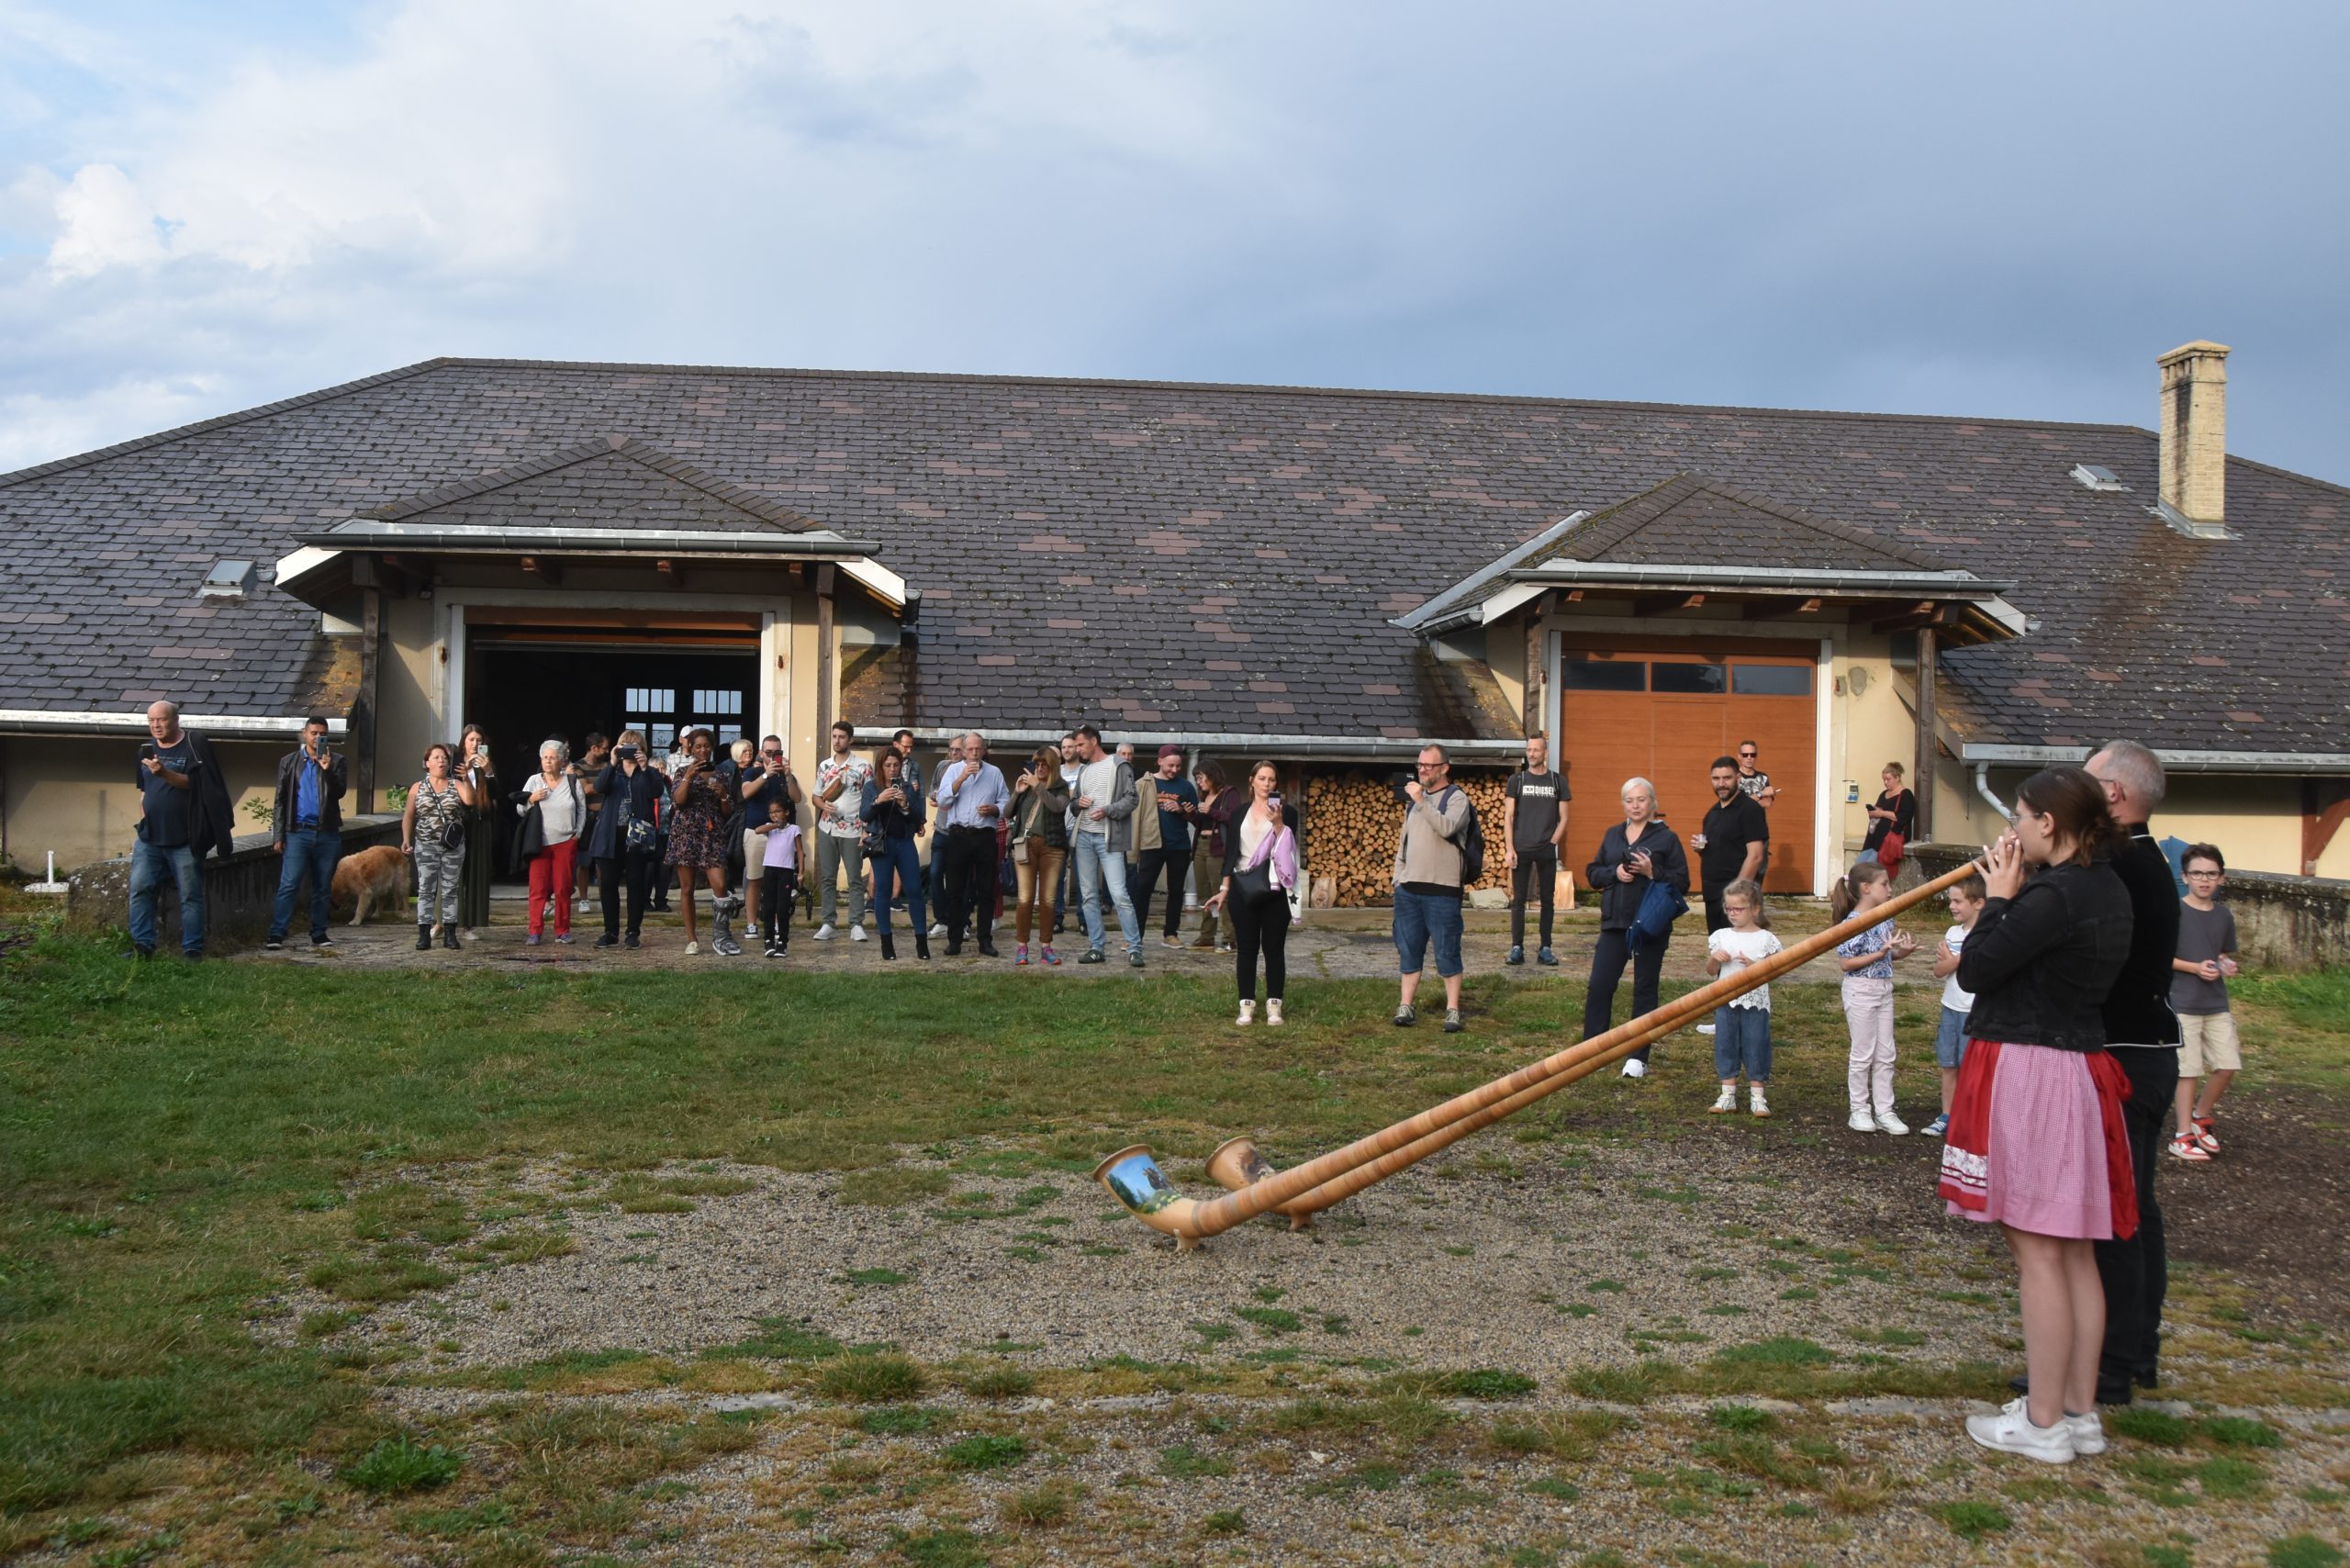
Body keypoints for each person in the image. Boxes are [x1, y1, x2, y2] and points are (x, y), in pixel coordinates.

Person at [1939, 767, 2136, 1464]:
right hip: (2072, 1067)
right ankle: (2078, 1413)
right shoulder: (2105, 886)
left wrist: (1997, 900)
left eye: (2022, 817)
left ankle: (2045, 1423)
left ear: (2048, 824)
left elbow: (1977, 968)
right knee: (2075, 1250)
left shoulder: (2055, 894)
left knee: (2040, 1253)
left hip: (2033, 1069)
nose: (2014, 831)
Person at [2081, 738, 2184, 1406]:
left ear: (2114, 794)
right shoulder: (2141, 863)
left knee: (2115, 1212)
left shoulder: (2120, 868)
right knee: (2136, 1208)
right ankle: (2135, 1349)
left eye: (2088, 782)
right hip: (2148, 1054)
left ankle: (2112, 1364)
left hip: (2124, 1057)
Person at [1583, 778, 1689, 1075]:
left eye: (1641, 799)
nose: (1636, 805)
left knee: (1644, 988)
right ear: (1623, 804)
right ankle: (1592, 1052)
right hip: (1615, 922)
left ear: (1653, 802)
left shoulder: (1666, 839)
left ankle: (1637, 1057)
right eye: (1630, 800)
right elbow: (1592, 873)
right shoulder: (1613, 834)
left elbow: (1683, 882)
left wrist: (1652, 871)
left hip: (1650, 924)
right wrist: (1614, 872)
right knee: (1600, 985)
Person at [126, 700, 234, 961]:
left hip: (186, 838)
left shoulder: (194, 746)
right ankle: (143, 947)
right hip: (150, 837)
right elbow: (144, 792)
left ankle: (193, 950)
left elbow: (200, 786)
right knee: (140, 889)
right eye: (151, 721)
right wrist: (146, 817)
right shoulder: (145, 749)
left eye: (161, 720)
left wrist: (164, 773)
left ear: (175, 720)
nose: (156, 725)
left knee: (190, 896)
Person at [1205, 760, 1301, 1025]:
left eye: (1271, 780)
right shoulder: (1240, 813)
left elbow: (1290, 850)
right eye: (1261, 779)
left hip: (1274, 888)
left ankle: (1274, 1006)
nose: (1266, 784)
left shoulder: (1288, 812)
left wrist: (1279, 824)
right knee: (1246, 949)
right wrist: (1224, 888)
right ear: (1251, 781)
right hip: (1243, 888)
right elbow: (1231, 852)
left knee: (1274, 949)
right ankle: (1246, 1006)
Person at [1832, 859, 1919, 1132]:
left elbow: (1886, 953)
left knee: (1886, 1053)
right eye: (1885, 884)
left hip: (1883, 988)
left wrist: (1901, 952)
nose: (1891, 889)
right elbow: (1846, 963)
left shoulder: (1885, 917)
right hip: (1861, 990)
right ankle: (1859, 1110)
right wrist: (1879, 954)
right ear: (1866, 888)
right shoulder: (1852, 923)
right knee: (1863, 1054)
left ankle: (1885, 1111)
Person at [1392, 744, 1473, 1032]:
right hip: (1409, 890)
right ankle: (1406, 1005)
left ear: (1444, 768)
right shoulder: (1415, 801)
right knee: (1408, 949)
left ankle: (1452, 1009)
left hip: (1442, 890)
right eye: (1420, 764)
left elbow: (1448, 827)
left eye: (1428, 765)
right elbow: (1404, 842)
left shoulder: (1457, 798)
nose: (1422, 769)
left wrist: (1422, 802)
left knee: (1446, 952)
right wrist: (1398, 877)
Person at [2169, 844, 2240, 1162]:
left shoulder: (2224, 915)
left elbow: (2220, 953)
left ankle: (2201, 1117)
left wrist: (2225, 965)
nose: (2204, 880)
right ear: (2184, 876)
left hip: (2216, 1003)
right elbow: (2159, 957)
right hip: (2183, 1002)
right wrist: (2195, 968)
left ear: (2221, 879)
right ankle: (2181, 1135)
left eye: (2211, 874)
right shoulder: (2174, 912)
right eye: (2197, 873)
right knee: (2189, 1070)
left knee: (2227, 1065)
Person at [264, 715, 349, 951]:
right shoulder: (290, 762)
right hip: (297, 832)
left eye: (323, 734)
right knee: (289, 884)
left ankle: (319, 933)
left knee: (322, 887)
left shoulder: (338, 761)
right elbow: (280, 800)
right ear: (305, 733)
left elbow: (339, 792)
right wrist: (278, 835)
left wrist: (328, 769)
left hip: (327, 832)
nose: (319, 737)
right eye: (314, 733)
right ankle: (277, 933)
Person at [1069, 723, 1145, 966]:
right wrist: (1078, 803)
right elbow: (1072, 805)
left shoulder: (1119, 765)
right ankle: (1096, 948)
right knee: (1089, 896)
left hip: (1109, 839)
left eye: (1080, 744)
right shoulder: (1084, 771)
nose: (1077, 749)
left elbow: (1132, 799)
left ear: (1094, 742)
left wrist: (1108, 811)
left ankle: (1135, 948)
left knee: (1119, 894)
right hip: (1083, 838)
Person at [1704, 879, 1781, 1116]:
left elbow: (1776, 970)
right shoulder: (1721, 935)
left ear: (1755, 909)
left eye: (1738, 909)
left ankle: (1758, 1097)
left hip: (1756, 1003)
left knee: (1756, 1043)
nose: (1732, 913)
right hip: (1726, 1001)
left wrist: (1756, 966)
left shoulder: (1766, 939)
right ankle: (1728, 1094)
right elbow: (1710, 971)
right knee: (1726, 1043)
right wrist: (1715, 958)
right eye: (1728, 908)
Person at [588, 729, 667, 949]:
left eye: (635, 746)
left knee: (636, 885)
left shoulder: (648, 771)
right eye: (626, 746)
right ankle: (610, 932)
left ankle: (633, 932)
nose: (630, 750)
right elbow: (600, 788)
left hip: (638, 837)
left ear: (642, 749)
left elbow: (656, 792)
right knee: (608, 884)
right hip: (611, 835)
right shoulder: (612, 771)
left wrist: (644, 767)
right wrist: (612, 762)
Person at [666, 728, 744, 956]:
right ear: (691, 748)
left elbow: (727, 811)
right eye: (698, 746)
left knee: (719, 884)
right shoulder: (681, 771)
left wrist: (722, 795)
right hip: (686, 833)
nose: (703, 750)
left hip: (712, 833)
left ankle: (721, 935)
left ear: (711, 748)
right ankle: (692, 939)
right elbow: (678, 802)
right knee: (687, 888)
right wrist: (689, 776)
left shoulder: (722, 774)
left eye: (706, 746)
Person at [933, 732, 1011, 957]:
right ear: (964, 751)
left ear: (984, 751)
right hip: (958, 835)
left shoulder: (994, 773)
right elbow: (943, 799)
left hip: (985, 835)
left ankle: (985, 940)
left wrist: (994, 809)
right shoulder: (954, 770)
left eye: (978, 749)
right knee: (956, 891)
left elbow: (1005, 803)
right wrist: (961, 779)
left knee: (986, 891)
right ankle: (954, 940)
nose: (974, 754)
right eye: (970, 749)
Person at [1925, 871, 1987, 1138]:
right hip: (1950, 1007)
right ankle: (1946, 1114)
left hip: (1975, 1012)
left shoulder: (1988, 932)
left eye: (1958, 901)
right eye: (1951, 901)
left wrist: (1956, 959)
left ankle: (1972, 1117)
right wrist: (1958, 959)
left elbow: (1979, 966)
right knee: (1949, 1064)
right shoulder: (1952, 933)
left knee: (1973, 1069)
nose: (1951, 906)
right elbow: (1939, 970)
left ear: (1979, 903)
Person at [1502, 734, 1571, 967]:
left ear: (1545, 753)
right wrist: (1510, 848)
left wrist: (1553, 842)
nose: (1531, 754)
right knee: (1519, 900)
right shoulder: (1517, 781)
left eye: (1536, 750)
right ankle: (1517, 947)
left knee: (1548, 901)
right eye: (1529, 750)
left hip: (1546, 849)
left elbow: (1564, 818)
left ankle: (1546, 948)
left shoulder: (1557, 781)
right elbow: (1508, 817)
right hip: (1521, 848)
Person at [400, 742, 475, 951]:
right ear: (426, 763)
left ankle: (450, 933)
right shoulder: (418, 787)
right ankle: (424, 933)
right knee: (425, 889)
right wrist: (406, 838)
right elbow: (409, 815)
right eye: (436, 757)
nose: (441, 761)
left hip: (452, 846)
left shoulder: (456, 784)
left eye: (444, 758)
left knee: (451, 889)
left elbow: (470, 800)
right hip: (426, 845)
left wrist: (466, 778)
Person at [514, 740, 588, 945]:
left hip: (566, 842)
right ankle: (535, 931)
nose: (547, 761)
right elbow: (519, 811)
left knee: (563, 889)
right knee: (537, 889)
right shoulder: (533, 781)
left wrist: (577, 834)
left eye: (552, 757)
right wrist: (531, 799)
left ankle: (562, 930)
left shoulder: (572, 782)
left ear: (562, 761)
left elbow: (582, 810)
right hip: (539, 843)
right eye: (545, 757)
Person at [865, 749, 931, 960]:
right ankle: (887, 944)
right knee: (882, 891)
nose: (892, 769)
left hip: (904, 843)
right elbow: (864, 814)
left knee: (914, 890)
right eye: (888, 765)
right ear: (880, 767)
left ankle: (922, 944)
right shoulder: (871, 787)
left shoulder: (906, 786)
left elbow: (919, 815)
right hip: (882, 845)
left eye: (896, 765)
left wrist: (905, 805)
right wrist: (878, 800)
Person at [1009, 745, 1070, 966]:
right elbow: (1007, 813)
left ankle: (1046, 947)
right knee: (1025, 899)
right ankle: (1022, 947)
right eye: (1037, 764)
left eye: (1044, 764)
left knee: (1048, 899)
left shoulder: (1061, 787)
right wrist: (1017, 791)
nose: (1040, 768)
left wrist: (1038, 788)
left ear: (1053, 766)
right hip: (1025, 846)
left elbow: (1057, 807)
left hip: (1052, 848)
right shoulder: (1027, 786)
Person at [1694, 755, 1768, 940]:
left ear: (1738, 778)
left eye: (1727, 778)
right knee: (1719, 951)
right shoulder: (1712, 813)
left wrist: (1737, 895)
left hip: (1737, 899)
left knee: (1739, 953)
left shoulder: (1750, 809)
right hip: (1712, 896)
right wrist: (1701, 848)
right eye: (1716, 779)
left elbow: (1756, 856)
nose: (1721, 784)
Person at [811, 721, 872, 943]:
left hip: (854, 829)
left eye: (841, 737)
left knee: (855, 879)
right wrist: (822, 805)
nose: (837, 740)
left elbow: (870, 799)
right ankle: (828, 923)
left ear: (850, 740)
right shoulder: (825, 766)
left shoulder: (864, 767)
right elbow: (816, 795)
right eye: (834, 736)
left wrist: (867, 830)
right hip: (827, 828)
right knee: (827, 878)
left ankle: (856, 923)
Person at [1133, 745, 1200, 947]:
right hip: (1151, 844)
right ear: (1159, 761)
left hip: (1179, 845)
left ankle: (1171, 933)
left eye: (1178, 766)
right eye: (1171, 765)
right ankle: (1136, 936)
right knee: (1143, 889)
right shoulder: (1145, 783)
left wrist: (1182, 810)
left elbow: (1196, 818)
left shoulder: (1186, 787)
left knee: (1176, 890)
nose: (1175, 770)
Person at [736, 734, 803, 937]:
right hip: (756, 831)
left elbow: (797, 798)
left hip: (780, 835)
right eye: (769, 752)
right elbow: (745, 793)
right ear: (761, 753)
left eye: (778, 753)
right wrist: (765, 775)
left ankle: (774, 923)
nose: (773, 756)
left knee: (777, 880)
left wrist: (789, 776)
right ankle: (751, 924)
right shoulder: (752, 771)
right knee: (754, 879)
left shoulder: (785, 775)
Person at [455, 724, 499, 934]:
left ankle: (471, 924)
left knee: (477, 872)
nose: (475, 744)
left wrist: (489, 772)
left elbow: (496, 795)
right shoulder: (455, 762)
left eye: (479, 740)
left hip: (481, 820)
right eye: (471, 739)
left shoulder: (487, 765)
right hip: (458, 822)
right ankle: (446, 921)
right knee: (454, 872)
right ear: (463, 741)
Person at [1188, 760, 1237, 952]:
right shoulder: (1205, 795)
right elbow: (1201, 822)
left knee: (1222, 894)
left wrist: (1211, 811)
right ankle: (1207, 936)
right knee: (1205, 893)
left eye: (1201, 777)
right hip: (1200, 846)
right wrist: (1188, 813)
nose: (1198, 782)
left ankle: (1230, 938)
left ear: (1211, 775)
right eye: (1196, 779)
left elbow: (1234, 818)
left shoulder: (1228, 793)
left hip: (1218, 848)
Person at [753, 797, 802, 958]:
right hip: (770, 870)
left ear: (786, 812)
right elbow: (757, 830)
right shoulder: (770, 828)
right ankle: (768, 941)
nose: (774, 815)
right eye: (771, 812)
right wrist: (775, 824)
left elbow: (800, 852)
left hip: (785, 871)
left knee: (782, 908)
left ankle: (782, 942)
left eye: (778, 811)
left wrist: (801, 872)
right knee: (768, 907)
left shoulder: (794, 829)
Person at [570, 732, 609, 913]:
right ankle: (583, 899)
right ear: (594, 748)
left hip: (605, 817)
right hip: (587, 818)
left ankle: (603, 897)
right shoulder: (577, 766)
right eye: (604, 747)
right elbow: (585, 790)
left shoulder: (607, 766)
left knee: (603, 862)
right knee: (583, 861)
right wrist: (604, 783)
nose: (607, 751)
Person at [1863, 761, 1916, 881]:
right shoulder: (1884, 794)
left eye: (1888, 779)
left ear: (1897, 778)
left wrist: (1882, 813)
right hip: (1873, 839)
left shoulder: (1906, 794)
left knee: (1867, 873)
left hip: (1887, 840)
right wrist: (1875, 811)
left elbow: (1904, 816)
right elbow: (1880, 809)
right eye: (1884, 780)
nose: (1885, 782)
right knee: (1859, 867)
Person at [1734, 740, 1781, 808]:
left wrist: (1746, 801)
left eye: (1752, 755)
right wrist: (1762, 793)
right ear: (1739, 756)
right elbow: (1737, 804)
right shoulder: (1733, 777)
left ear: (1756, 756)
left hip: (1758, 818)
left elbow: (1767, 803)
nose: (1749, 758)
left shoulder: (1763, 777)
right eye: (1745, 755)